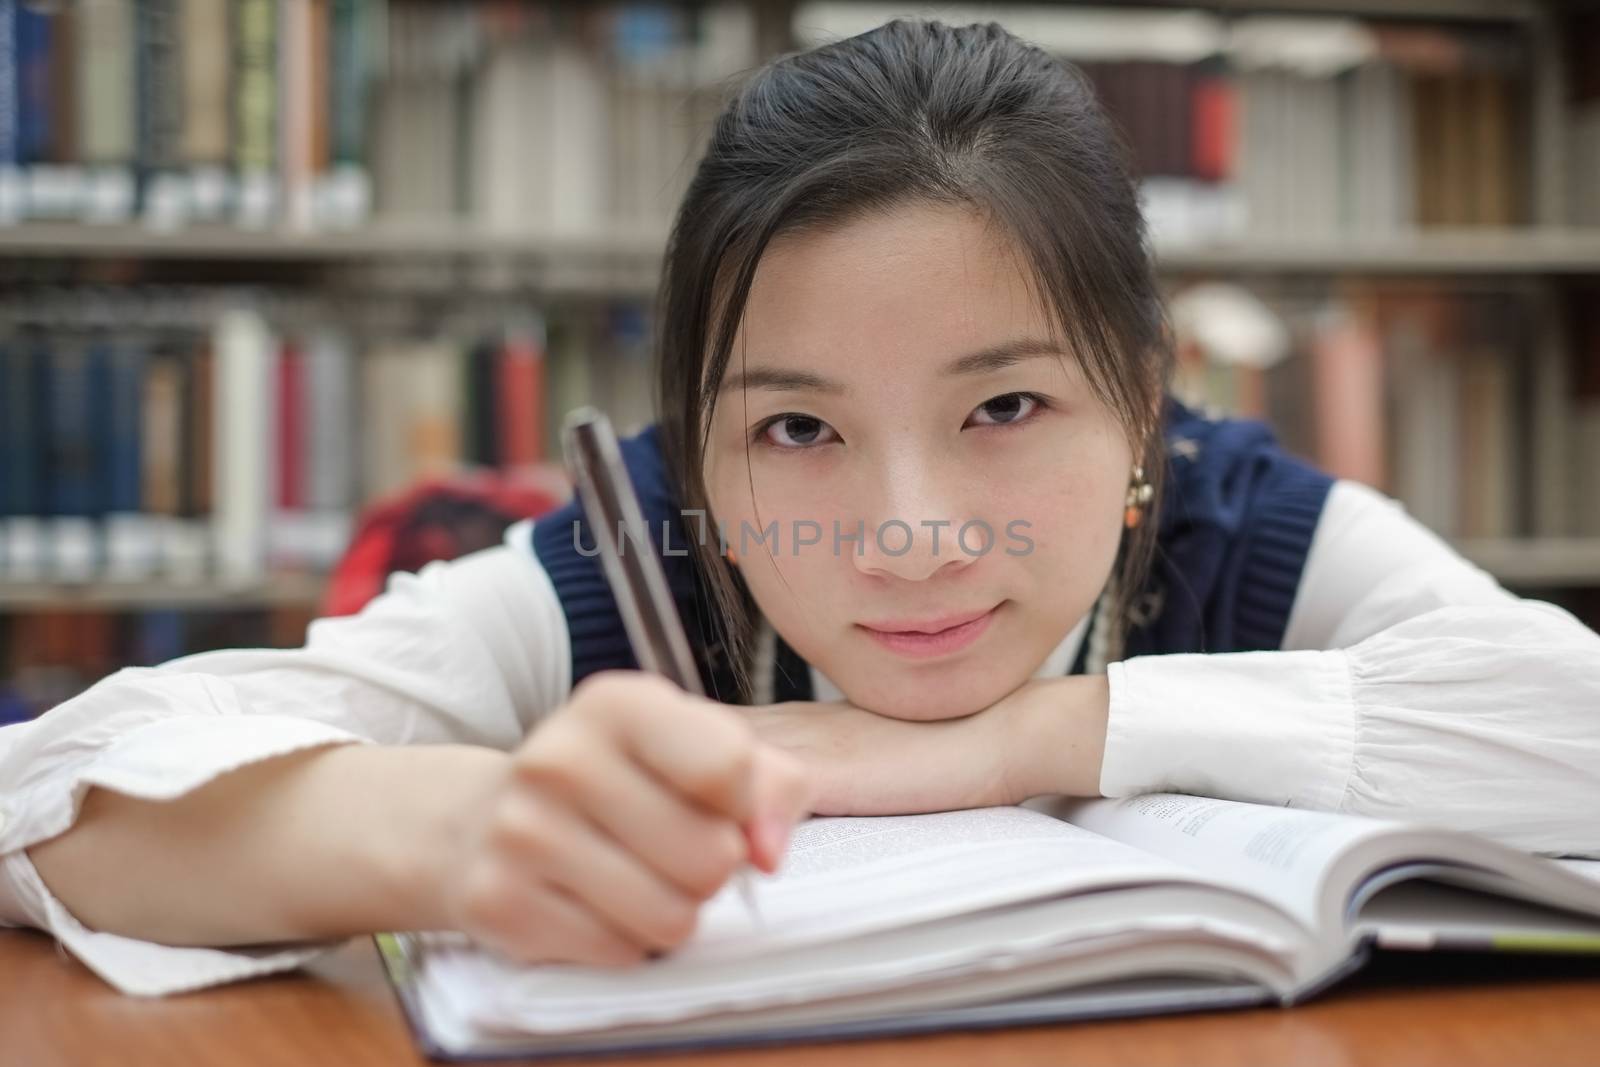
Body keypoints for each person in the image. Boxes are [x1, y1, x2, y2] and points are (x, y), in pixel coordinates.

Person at [4, 19, 1599, 998]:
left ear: (1141, 401)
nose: (908, 532)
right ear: (690, 444)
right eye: (795, 427)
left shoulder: (1244, 523)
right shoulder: (620, 570)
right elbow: (51, 802)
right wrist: (471, 826)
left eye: (1004, 407)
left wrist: (1022, 741)